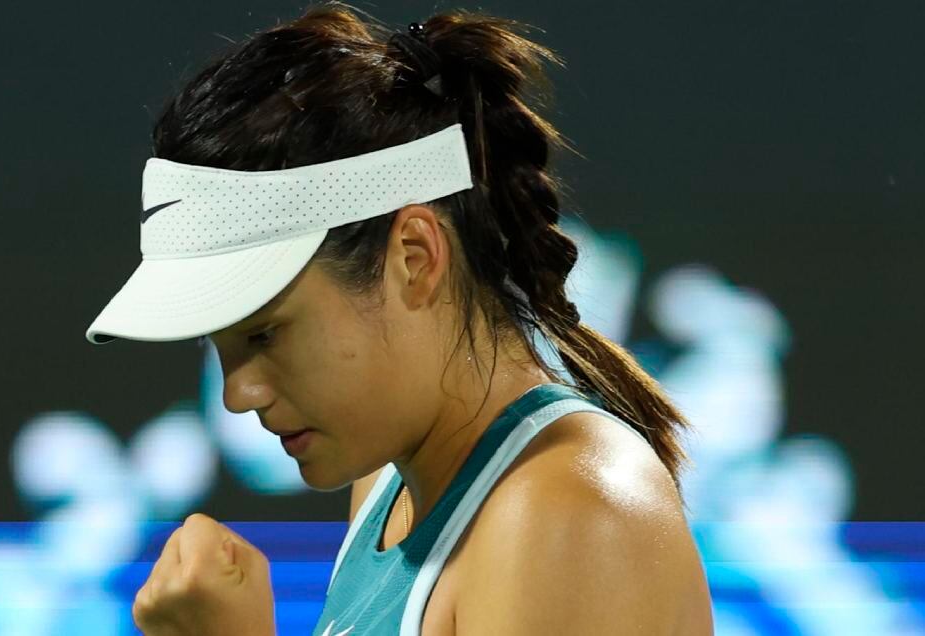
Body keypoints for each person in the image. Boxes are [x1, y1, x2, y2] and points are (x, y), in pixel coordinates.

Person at [85, 3, 714, 634]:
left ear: (414, 256)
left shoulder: (564, 512)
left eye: (265, 332)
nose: (237, 394)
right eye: (218, 344)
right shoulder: (387, 488)